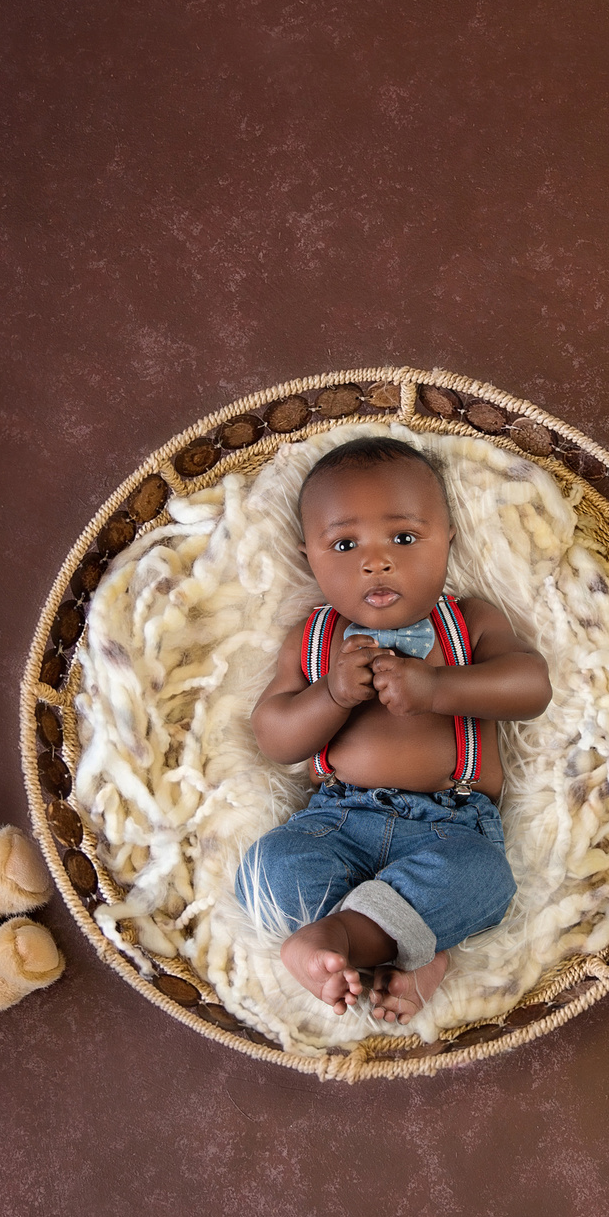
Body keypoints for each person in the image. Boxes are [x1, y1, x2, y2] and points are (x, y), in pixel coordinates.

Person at [241, 437, 551, 1022]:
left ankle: (347, 945)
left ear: (447, 539)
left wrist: (440, 689)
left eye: (404, 539)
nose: (375, 560)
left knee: (485, 878)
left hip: (449, 827)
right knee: (272, 867)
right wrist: (329, 695)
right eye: (344, 543)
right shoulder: (314, 641)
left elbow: (531, 687)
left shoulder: (470, 622)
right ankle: (405, 957)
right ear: (309, 555)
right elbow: (275, 737)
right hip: (336, 823)